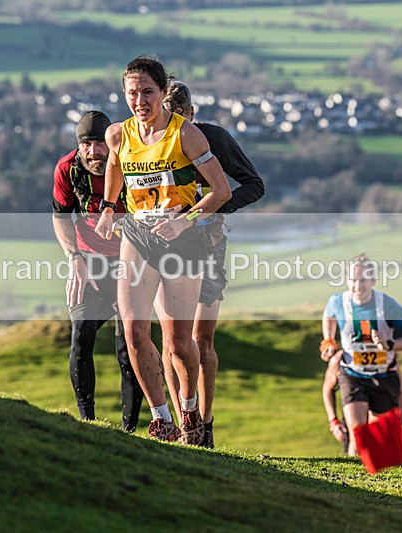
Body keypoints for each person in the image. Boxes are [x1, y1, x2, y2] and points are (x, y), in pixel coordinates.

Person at [94, 56, 231, 444]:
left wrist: (183, 220)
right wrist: (109, 207)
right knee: (135, 332)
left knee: (177, 342)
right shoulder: (118, 135)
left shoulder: (185, 135)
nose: (140, 101)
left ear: (160, 92)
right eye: (132, 93)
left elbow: (221, 192)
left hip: (182, 239)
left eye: (147, 92)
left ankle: (189, 411)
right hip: (138, 235)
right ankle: (161, 419)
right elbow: (116, 168)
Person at [156, 80, 264, 448]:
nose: (176, 127)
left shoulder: (213, 139)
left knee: (201, 339)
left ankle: (205, 423)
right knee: (173, 341)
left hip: (209, 245)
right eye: (168, 118)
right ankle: (180, 426)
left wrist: (215, 210)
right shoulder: (150, 141)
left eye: (181, 118)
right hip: (166, 246)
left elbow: (254, 185)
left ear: (192, 115)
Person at [51, 110, 143, 431]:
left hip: (131, 260)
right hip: (89, 260)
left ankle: (130, 429)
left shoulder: (130, 166)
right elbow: (61, 216)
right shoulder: (68, 169)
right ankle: (87, 423)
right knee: (81, 333)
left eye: (98, 144)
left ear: (111, 143)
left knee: (128, 344)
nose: (93, 152)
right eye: (85, 145)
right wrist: (73, 257)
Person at [319, 253, 402, 456]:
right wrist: (329, 339)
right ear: (347, 280)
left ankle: (379, 482)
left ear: (373, 280)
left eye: (363, 280)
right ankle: (348, 485)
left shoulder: (388, 305)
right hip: (353, 374)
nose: (358, 286)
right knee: (358, 435)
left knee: (380, 443)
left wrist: (389, 344)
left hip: (384, 376)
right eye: (353, 280)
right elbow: (328, 314)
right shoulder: (338, 302)